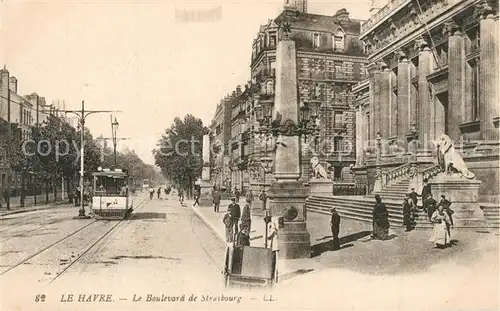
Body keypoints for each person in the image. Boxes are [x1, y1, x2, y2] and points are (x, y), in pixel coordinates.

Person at [267, 218, 279, 283]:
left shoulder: (273, 230)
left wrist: (268, 229)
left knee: (274, 263)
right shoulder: (273, 230)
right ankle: (272, 277)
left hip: (274, 249)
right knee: (272, 263)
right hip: (272, 248)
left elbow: (268, 236)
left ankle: (274, 277)